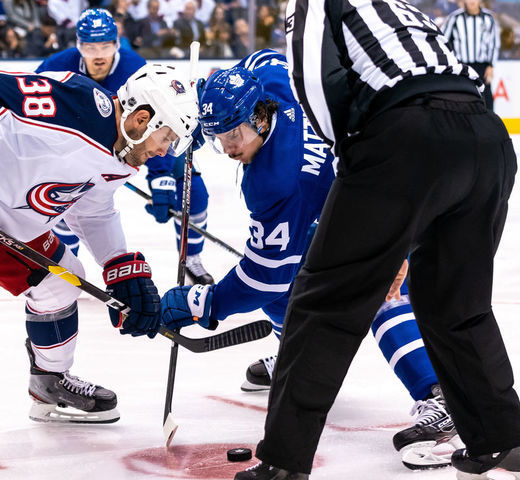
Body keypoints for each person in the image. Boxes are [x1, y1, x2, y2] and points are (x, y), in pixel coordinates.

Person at [227, 0, 518, 478]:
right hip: (487, 141)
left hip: (405, 136)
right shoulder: (402, 7)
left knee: (323, 302)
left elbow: (316, 87)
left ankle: (283, 462)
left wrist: (356, 184)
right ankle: (503, 438)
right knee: (456, 304)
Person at [0, 63, 198, 480]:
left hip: (0, 220)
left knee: (62, 283)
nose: (166, 149)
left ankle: (49, 383)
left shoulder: (122, 152)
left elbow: (93, 206)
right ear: (143, 119)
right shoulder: (81, 108)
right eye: (167, 136)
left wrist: (120, 266)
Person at [160, 49, 459, 471]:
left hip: (403, 188)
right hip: (379, 175)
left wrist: (202, 305)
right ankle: (296, 352)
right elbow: (262, 56)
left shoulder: (276, 182)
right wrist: (202, 111)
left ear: (260, 118)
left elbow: (262, 278)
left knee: (378, 287)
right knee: (303, 268)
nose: (227, 149)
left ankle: (438, 396)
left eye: (233, 136)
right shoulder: (272, 81)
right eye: (217, 139)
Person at [36, 8, 214, 284]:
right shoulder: (54, 68)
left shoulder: (134, 67)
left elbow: (158, 123)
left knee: (195, 193)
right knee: (64, 199)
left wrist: (162, 174)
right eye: (90, 47)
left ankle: (192, 259)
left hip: (141, 141)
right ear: (78, 45)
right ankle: (62, 264)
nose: (98, 55)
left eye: (105, 46)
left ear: (117, 44)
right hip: (82, 148)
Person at [442, 0, 500, 110]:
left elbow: (494, 43)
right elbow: (444, 40)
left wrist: (491, 66)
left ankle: (488, 125)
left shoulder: (489, 18)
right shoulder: (455, 18)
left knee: (486, 99)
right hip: (463, 66)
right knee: (462, 97)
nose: (472, 1)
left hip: (482, 66)